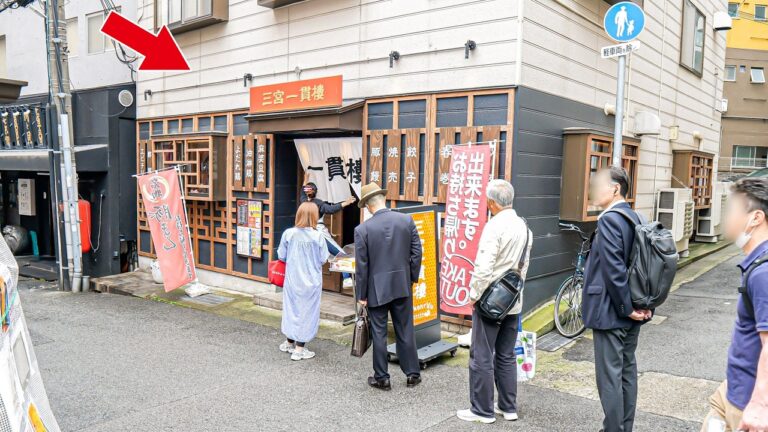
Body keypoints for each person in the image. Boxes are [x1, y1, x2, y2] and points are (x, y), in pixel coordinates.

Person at [456, 179, 532, 424]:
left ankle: (482, 410)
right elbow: (524, 267)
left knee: (481, 354)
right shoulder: (524, 227)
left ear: (491, 203)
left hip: (490, 302)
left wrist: (474, 295)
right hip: (513, 302)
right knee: (506, 354)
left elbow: (484, 267)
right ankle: (508, 407)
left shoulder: (494, 226)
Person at [581, 166, 651, 432]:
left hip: (613, 311)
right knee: (626, 373)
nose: (593, 191)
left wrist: (626, 308)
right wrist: (642, 306)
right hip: (633, 308)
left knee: (609, 377)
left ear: (615, 189)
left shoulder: (610, 219)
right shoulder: (636, 218)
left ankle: (613, 429)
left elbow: (614, 269)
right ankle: (622, 427)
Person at [701, 178, 768, 432]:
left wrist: (761, 404)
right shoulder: (756, 262)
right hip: (733, 389)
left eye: (732, 210)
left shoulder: (763, 272)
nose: (725, 216)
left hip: (748, 403)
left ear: (755, 218)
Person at [354, 183, 422, 390]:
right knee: (405, 329)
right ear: (384, 200)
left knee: (379, 332)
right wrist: (410, 278)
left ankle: (382, 377)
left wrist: (361, 295)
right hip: (402, 284)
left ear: (367, 206)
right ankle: (412, 374)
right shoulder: (406, 220)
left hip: (376, 288)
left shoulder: (362, 229)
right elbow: (417, 253)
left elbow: (362, 267)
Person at [277, 202, 331, 361]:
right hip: (311, 281)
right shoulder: (318, 236)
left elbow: (281, 255)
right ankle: (299, 350)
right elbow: (323, 259)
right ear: (315, 216)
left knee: (291, 310)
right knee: (307, 313)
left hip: (292, 280)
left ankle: (288, 343)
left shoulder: (289, 233)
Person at [301, 172, 356, 256]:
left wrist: (305, 179)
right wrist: (346, 202)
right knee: (337, 252)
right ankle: (345, 261)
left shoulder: (303, 201)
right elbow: (331, 209)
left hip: (304, 230)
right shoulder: (318, 203)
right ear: (315, 192)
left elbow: (303, 190)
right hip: (317, 229)